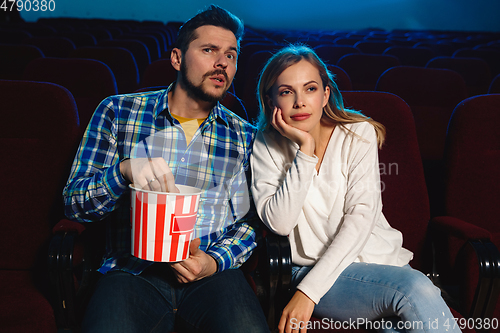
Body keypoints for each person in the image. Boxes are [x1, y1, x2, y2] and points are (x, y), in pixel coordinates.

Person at [63, 5, 269, 333]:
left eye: (231, 55)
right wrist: (123, 171)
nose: (222, 63)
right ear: (176, 58)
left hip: (212, 275)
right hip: (131, 271)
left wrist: (215, 261)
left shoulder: (246, 137)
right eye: (209, 50)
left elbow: (253, 222)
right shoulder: (117, 111)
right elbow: (75, 205)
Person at [250, 44, 462, 333]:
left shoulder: (358, 133)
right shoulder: (265, 145)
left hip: (382, 267)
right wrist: (305, 151)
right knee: (417, 289)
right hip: (315, 272)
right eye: (286, 92)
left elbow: (360, 218)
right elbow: (280, 222)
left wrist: (308, 293)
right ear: (271, 99)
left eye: (310, 89)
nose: (300, 101)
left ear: (325, 94)